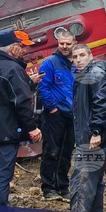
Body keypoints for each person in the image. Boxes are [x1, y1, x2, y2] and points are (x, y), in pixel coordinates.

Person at [0, 28, 42, 207]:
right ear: (12, 48)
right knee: (2, 176)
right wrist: (32, 128)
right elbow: (21, 102)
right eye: (21, 46)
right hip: (6, 131)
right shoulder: (13, 69)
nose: (24, 50)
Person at [68, 43, 106, 212]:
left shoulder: (95, 74)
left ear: (90, 56)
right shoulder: (85, 75)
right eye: (75, 57)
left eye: (82, 55)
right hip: (94, 137)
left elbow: (101, 104)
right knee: (94, 182)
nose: (78, 60)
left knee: (81, 183)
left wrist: (96, 131)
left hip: (94, 138)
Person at [36, 27, 76, 201]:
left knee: (66, 152)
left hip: (72, 115)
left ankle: (63, 186)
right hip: (55, 115)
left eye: (68, 44)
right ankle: (48, 188)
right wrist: (52, 108)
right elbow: (43, 88)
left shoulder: (77, 63)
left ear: (74, 43)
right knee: (51, 151)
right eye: (61, 43)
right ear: (58, 43)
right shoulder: (49, 63)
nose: (64, 47)